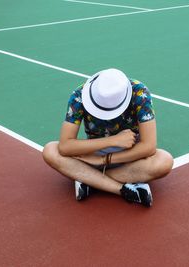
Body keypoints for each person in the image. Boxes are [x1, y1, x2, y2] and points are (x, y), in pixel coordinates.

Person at [42, 68, 173, 207]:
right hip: (95, 152)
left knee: (164, 161)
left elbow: (149, 146)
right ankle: (121, 189)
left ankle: (90, 180)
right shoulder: (79, 95)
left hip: (132, 155)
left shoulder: (140, 93)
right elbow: (65, 146)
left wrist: (104, 160)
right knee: (50, 150)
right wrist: (113, 141)